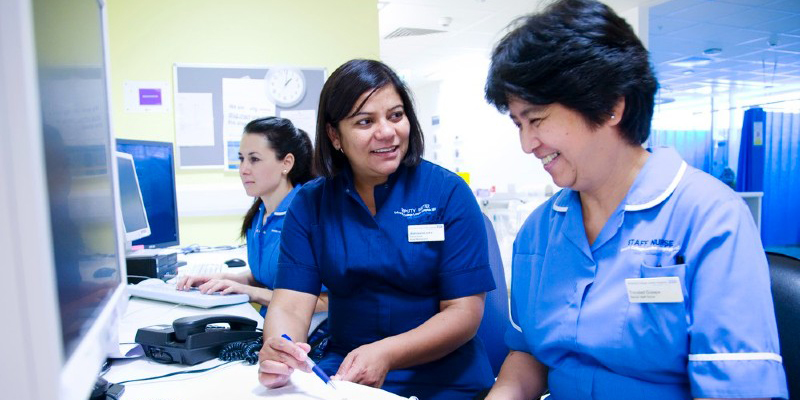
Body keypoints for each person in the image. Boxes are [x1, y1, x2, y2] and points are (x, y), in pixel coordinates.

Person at [482, 1, 788, 399]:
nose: (527, 144)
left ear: (611, 105)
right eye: (518, 124)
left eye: (536, 120)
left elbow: (739, 390)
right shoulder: (539, 231)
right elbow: (528, 357)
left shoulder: (711, 219)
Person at [257, 59, 496, 399]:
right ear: (334, 135)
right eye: (365, 121)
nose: (386, 131)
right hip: (346, 375)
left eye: (396, 116)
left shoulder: (447, 193)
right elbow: (291, 306)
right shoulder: (311, 204)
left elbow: (464, 312)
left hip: (444, 378)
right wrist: (280, 352)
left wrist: (386, 352)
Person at [176, 117, 328, 317]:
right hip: (271, 323)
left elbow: (327, 301)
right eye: (241, 159)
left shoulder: (309, 214)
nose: (243, 169)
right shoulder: (259, 215)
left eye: (254, 159)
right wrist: (221, 279)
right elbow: (267, 277)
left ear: (287, 163)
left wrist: (252, 293)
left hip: (309, 333)